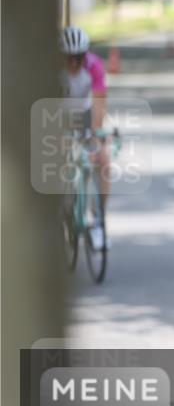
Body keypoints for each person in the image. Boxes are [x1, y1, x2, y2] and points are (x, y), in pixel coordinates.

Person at [59, 25, 110, 249]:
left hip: (86, 116)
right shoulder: (51, 70)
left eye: (78, 57)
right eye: (69, 58)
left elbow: (99, 105)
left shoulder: (94, 66)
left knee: (104, 159)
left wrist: (96, 138)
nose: (73, 63)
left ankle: (98, 222)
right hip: (58, 116)